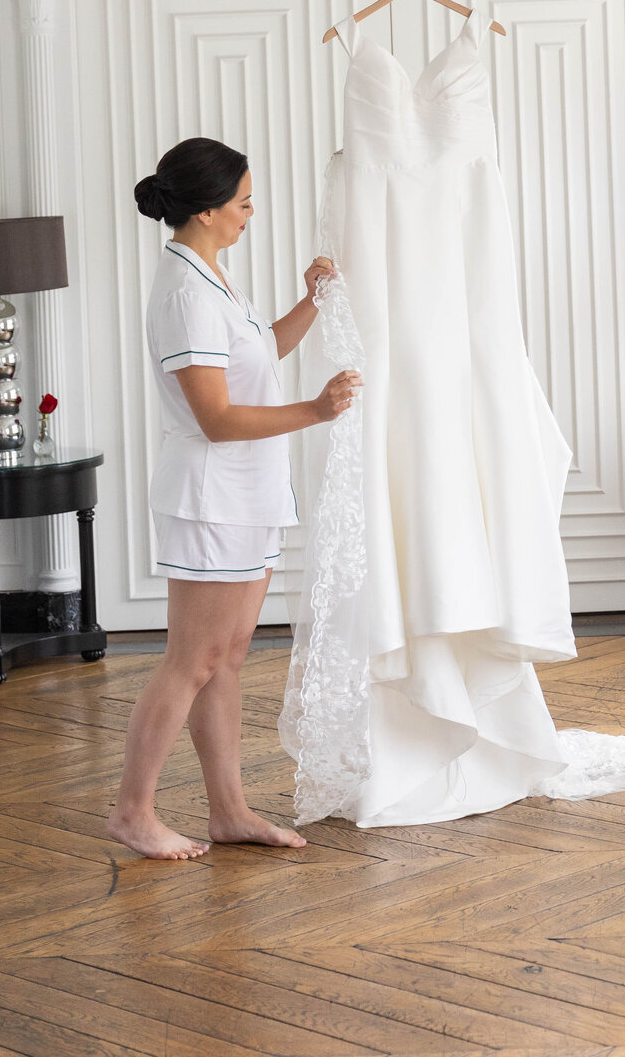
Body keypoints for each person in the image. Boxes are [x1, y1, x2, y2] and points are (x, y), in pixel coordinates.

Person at [107, 136, 361, 860]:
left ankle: (229, 811)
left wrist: (309, 304)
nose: (252, 213)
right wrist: (315, 411)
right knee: (191, 659)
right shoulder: (185, 293)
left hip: (247, 496)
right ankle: (133, 812)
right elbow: (216, 419)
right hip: (210, 499)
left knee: (227, 656)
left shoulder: (211, 277)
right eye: (245, 202)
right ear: (209, 209)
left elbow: (255, 358)